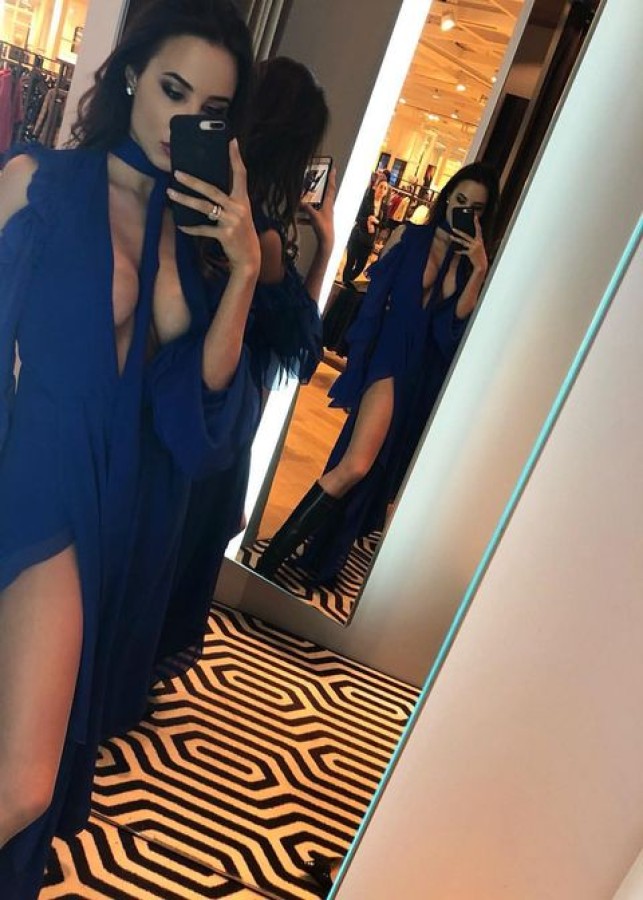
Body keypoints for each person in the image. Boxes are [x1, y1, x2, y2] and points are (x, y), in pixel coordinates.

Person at [0, 2, 258, 896]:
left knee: (20, 768)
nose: (180, 120)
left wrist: (245, 269)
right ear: (131, 76)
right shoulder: (39, 180)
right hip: (33, 483)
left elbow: (199, 417)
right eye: (171, 90)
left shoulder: (188, 245)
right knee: (23, 784)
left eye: (207, 111)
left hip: (115, 512)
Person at [157, 56, 335, 665]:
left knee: (158, 542)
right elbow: (299, 347)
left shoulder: (187, 194)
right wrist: (326, 246)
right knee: (190, 547)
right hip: (226, 411)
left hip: (174, 391)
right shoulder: (261, 236)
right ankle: (139, 673)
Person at [257, 162, 500, 584]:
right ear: (447, 197)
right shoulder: (409, 236)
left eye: (475, 209)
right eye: (459, 200)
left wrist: (479, 269)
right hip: (389, 359)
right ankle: (268, 562)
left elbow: (450, 331)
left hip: (422, 375)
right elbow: (374, 303)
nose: (463, 211)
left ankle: (319, 562)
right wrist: (361, 362)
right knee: (356, 464)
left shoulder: (468, 265)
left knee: (373, 475)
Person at [342, 176, 389, 284]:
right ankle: (344, 283)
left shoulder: (384, 207)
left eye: (385, 188)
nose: (382, 190)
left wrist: (376, 222)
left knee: (360, 266)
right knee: (350, 263)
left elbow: (384, 224)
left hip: (369, 241)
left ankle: (348, 282)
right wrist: (367, 220)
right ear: (375, 187)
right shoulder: (366, 200)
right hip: (357, 236)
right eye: (381, 187)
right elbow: (357, 216)